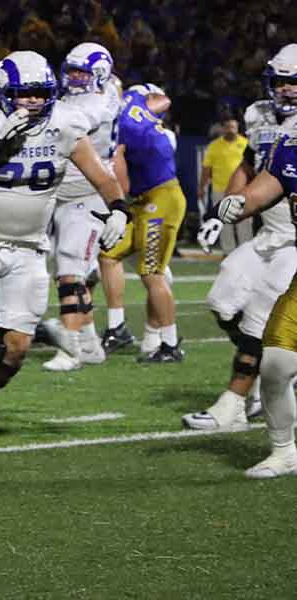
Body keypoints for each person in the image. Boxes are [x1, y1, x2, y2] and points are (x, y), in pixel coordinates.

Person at [0, 51, 128, 443]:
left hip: (29, 247)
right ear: (4, 91)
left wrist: (119, 211)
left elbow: (103, 177)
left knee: (17, 347)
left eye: (41, 93)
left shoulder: (64, 123)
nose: (34, 101)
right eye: (25, 93)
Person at [184, 44, 297, 430]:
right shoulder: (259, 115)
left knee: (260, 314)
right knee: (223, 302)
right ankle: (271, 373)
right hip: (270, 233)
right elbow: (250, 168)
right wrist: (222, 210)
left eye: (294, 83)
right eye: (281, 82)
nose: (287, 90)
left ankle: (233, 401)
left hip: (295, 240)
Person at [207, 129, 297, 477]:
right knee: (275, 364)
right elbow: (258, 193)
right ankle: (284, 450)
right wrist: (235, 206)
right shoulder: (290, 148)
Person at [41, 42, 120, 371]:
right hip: (61, 192)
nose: (74, 77)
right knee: (65, 271)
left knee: (70, 265)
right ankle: (89, 343)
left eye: (81, 72)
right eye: (71, 70)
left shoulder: (103, 99)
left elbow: (70, 126)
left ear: (99, 74)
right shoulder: (69, 99)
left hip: (89, 192)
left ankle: (70, 349)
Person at [98, 83, 186, 361]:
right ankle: (117, 327)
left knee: (151, 272)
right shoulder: (136, 102)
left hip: (161, 196)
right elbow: (165, 99)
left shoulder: (120, 122)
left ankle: (170, 346)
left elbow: (119, 169)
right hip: (145, 199)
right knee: (109, 254)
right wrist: (149, 111)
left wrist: (118, 206)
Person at [200, 117, 249, 254]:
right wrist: (202, 187)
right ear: (222, 129)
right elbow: (206, 169)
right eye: (228, 127)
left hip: (242, 189)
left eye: (234, 127)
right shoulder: (214, 146)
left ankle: (245, 251)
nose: (231, 130)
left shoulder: (245, 144)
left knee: (244, 221)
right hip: (220, 189)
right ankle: (229, 251)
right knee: (223, 222)